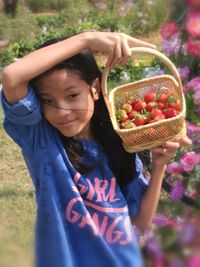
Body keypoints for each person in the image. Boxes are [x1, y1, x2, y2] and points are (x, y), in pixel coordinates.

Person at [1, 31, 191, 267]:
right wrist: (87, 39)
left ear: (95, 88)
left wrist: (160, 164)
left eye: (72, 95)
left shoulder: (119, 143)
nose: (62, 112)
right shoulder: (41, 138)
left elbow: (140, 221)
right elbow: (11, 76)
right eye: (48, 100)